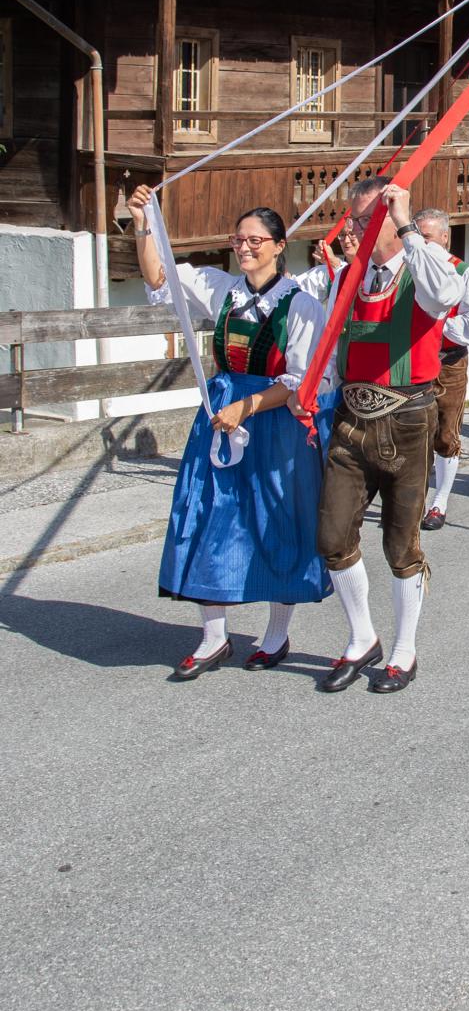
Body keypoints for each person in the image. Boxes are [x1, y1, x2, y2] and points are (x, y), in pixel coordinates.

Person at [126, 185, 329, 679]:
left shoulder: (301, 306)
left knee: (278, 522)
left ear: (280, 246)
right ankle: (214, 638)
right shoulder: (221, 289)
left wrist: (247, 406)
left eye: (256, 240)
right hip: (221, 415)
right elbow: (157, 275)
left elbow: (308, 380)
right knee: (209, 515)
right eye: (239, 239)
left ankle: (277, 634)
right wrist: (142, 223)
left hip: (275, 423)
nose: (245, 247)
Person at [298, 175, 463, 693]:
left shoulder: (427, 268)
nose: (361, 229)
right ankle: (361, 636)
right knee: (332, 537)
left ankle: (404, 650)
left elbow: (447, 293)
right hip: (350, 421)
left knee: (400, 546)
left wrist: (409, 224)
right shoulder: (345, 277)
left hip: (409, 422)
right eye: (356, 220)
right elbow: (323, 335)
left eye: (370, 219)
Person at [413, 208, 469, 532]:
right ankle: (414, 499)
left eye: (427, 238)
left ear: (445, 237)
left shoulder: (464, 273)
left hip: (449, 362)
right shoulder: (408, 269)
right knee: (414, 433)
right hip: (414, 362)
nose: (422, 244)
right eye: (418, 237)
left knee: (445, 433)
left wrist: (439, 323)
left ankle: (439, 502)